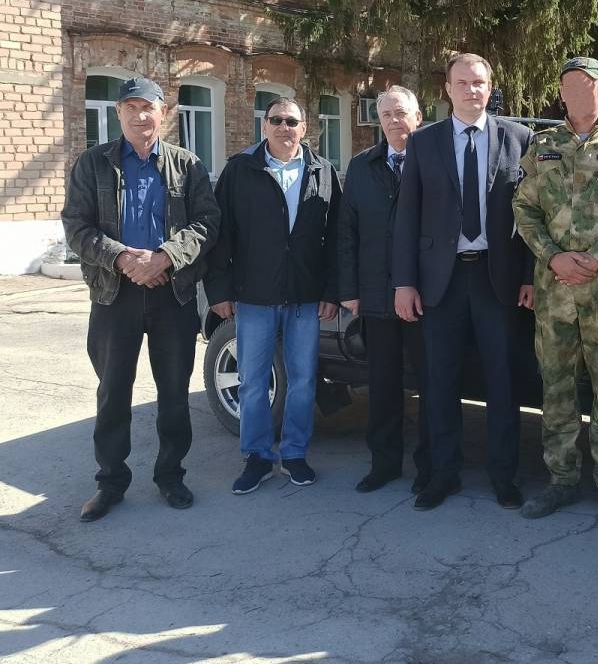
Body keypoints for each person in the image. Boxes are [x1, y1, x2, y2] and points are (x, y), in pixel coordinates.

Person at [62, 77, 220, 522]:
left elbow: (207, 223)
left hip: (173, 294)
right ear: (118, 114)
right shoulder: (92, 164)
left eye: (147, 107)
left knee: (173, 392)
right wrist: (123, 259)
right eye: (129, 108)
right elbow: (76, 226)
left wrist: (165, 257)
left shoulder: (187, 164)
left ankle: (170, 475)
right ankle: (110, 482)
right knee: (113, 391)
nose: (139, 115)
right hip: (114, 294)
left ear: (163, 112)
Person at [393, 53, 534, 511]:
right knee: (439, 382)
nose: (472, 90)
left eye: (479, 83)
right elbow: (407, 216)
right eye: (463, 82)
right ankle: (443, 474)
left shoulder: (519, 138)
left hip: (499, 279)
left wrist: (530, 276)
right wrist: (404, 282)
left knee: (502, 381)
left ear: (490, 88)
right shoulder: (423, 142)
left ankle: (503, 476)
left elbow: (534, 216)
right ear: (447, 89)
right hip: (442, 281)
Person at [513, 57, 598, 526]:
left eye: (584, 85)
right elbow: (523, 207)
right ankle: (561, 479)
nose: (574, 93)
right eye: (567, 86)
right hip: (554, 291)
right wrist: (553, 256)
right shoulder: (544, 144)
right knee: (556, 388)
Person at [207, 96, 341, 494]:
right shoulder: (240, 169)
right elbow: (221, 234)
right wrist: (219, 290)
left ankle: (295, 454)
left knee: (302, 380)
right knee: (252, 381)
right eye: (277, 120)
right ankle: (258, 457)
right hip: (254, 296)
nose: (284, 127)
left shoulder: (322, 170)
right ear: (264, 126)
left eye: (292, 121)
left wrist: (332, 291)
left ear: (304, 128)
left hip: (304, 296)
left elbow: (336, 237)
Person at [338, 86, 431, 493]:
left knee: (431, 385)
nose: (395, 121)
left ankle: (430, 465)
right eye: (387, 115)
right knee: (383, 385)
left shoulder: (434, 160)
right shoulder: (362, 166)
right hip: (376, 295)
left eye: (402, 113)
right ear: (379, 121)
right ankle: (384, 464)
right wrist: (349, 288)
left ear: (418, 117)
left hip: (426, 296)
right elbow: (347, 231)